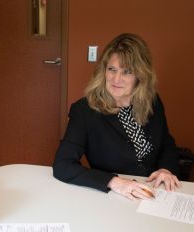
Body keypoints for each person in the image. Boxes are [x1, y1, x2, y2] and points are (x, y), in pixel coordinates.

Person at [53, 33, 181, 200]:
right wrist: (114, 182)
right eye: (111, 69)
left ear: (140, 76)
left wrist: (166, 169)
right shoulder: (84, 110)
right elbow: (63, 165)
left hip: (156, 191)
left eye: (127, 72)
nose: (116, 79)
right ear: (103, 71)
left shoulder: (152, 101)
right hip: (115, 197)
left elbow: (166, 142)